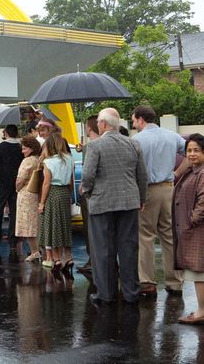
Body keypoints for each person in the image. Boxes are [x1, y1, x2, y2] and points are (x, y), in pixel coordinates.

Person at [81, 108, 147, 305]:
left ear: (102, 124)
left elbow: (87, 176)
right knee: (128, 248)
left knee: (103, 250)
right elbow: (141, 175)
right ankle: (131, 292)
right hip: (128, 202)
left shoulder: (95, 146)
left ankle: (106, 294)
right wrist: (141, 199)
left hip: (102, 203)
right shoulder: (133, 144)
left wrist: (89, 194)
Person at [131, 105, 185, 297]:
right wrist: (177, 172)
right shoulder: (172, 136)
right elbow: (189, 152)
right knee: (169, 235)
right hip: (169, 188)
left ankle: (147, 282)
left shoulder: (136, 140)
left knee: (145, 235)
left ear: (140, 119)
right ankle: (175, 281)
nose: (133, 123)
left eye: (133, 120)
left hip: (148, 190)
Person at [172, 134, 204, 324]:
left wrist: (193, 220)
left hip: (197, 230)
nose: (191, 154)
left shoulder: (202, 172)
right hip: (192, 230)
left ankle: (201, 312)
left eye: (196, 150)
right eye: (189, 150)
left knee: (198, 272)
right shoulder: (193, 170)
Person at [37, 133, 74, 270]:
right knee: (65, 226)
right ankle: (69, 257)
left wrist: (41, 203)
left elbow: (46, 184)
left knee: (54, 226)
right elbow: (70, 182)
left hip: (53, 193)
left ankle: (57, 258)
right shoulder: (69, 159)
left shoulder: (48, 162)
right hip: (65, 193)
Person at [0, 124, 24, 250]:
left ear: (6, 133)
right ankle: (13, 240)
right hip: (17, 184)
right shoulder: (21, 148)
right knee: (14, 212)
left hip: (1, 183)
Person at [76, 115, 100, 273]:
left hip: (91, 194)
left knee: (90, 228)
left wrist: (84, 186)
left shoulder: (91, 147)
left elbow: (88, 173)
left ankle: (93, 260)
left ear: (89, 127)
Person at [15, 136, 42, 262]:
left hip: (26, 194)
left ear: (31, 148)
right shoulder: (38, 159)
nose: (22, 151)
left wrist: (17, 188)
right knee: (36, 223)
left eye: (24, 148)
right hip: (36, 193)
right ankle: (39, 249)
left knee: (28, 225)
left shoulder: (27, 161)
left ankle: (34, 251)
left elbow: (20, 179)